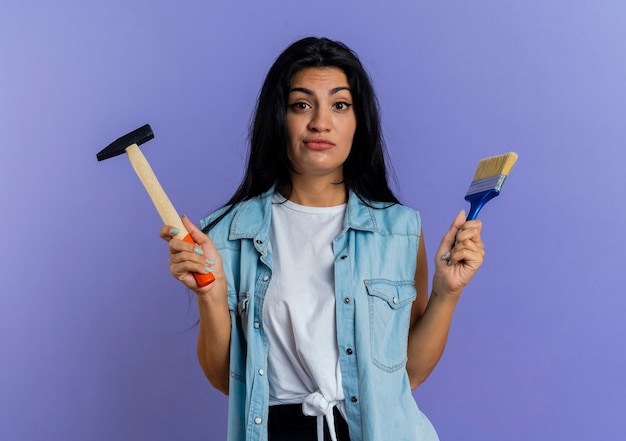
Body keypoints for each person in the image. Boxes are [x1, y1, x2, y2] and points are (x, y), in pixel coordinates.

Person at [159, 37, 485, 441]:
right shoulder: (227, 233)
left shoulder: (399, 229)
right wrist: (210, 292)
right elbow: (226, 380)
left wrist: (447, 293)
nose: (320, 122)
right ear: (278, 117)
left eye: (340, 104)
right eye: (301, 104)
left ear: (358, 120)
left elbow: (409, 373)